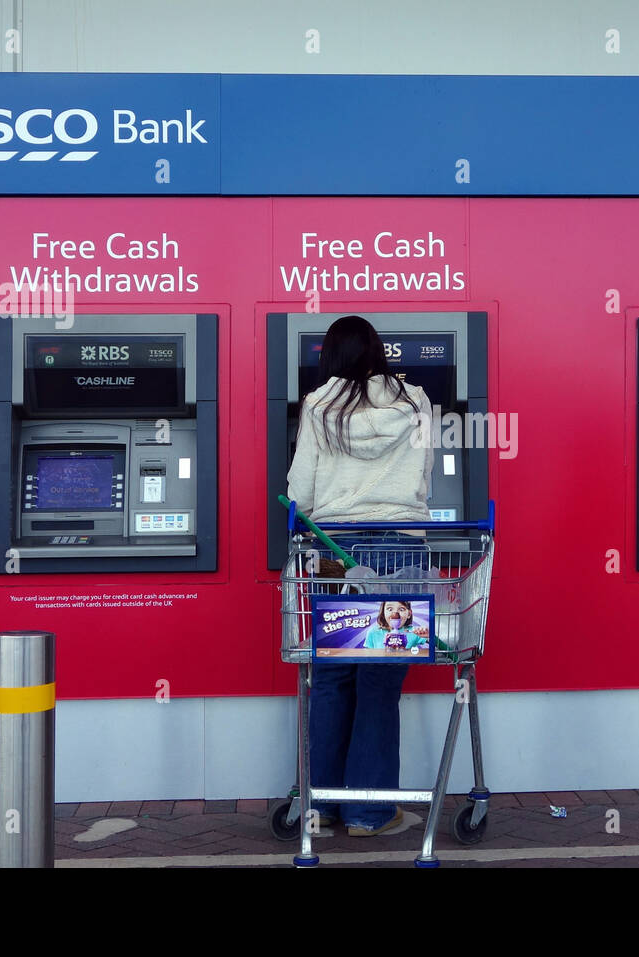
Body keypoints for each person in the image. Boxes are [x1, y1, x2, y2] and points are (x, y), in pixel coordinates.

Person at [286, 315, 433, 837]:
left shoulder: (318, 407)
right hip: (400, 553)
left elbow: (300, 490)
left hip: (333, 552)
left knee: (331, 677)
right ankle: (370, 814)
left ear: (332, 358)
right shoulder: (417, 403)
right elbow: (422, 480)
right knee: (379, 681)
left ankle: (321, 809)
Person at [363, 600, 431, 651]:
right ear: (383, 612)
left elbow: (441, 647)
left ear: (409, 614)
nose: (395, 614)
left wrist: (430, 635)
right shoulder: (373, 632)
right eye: (390, 609)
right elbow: (366, 657)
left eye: (401, 609)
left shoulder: (414, 632)